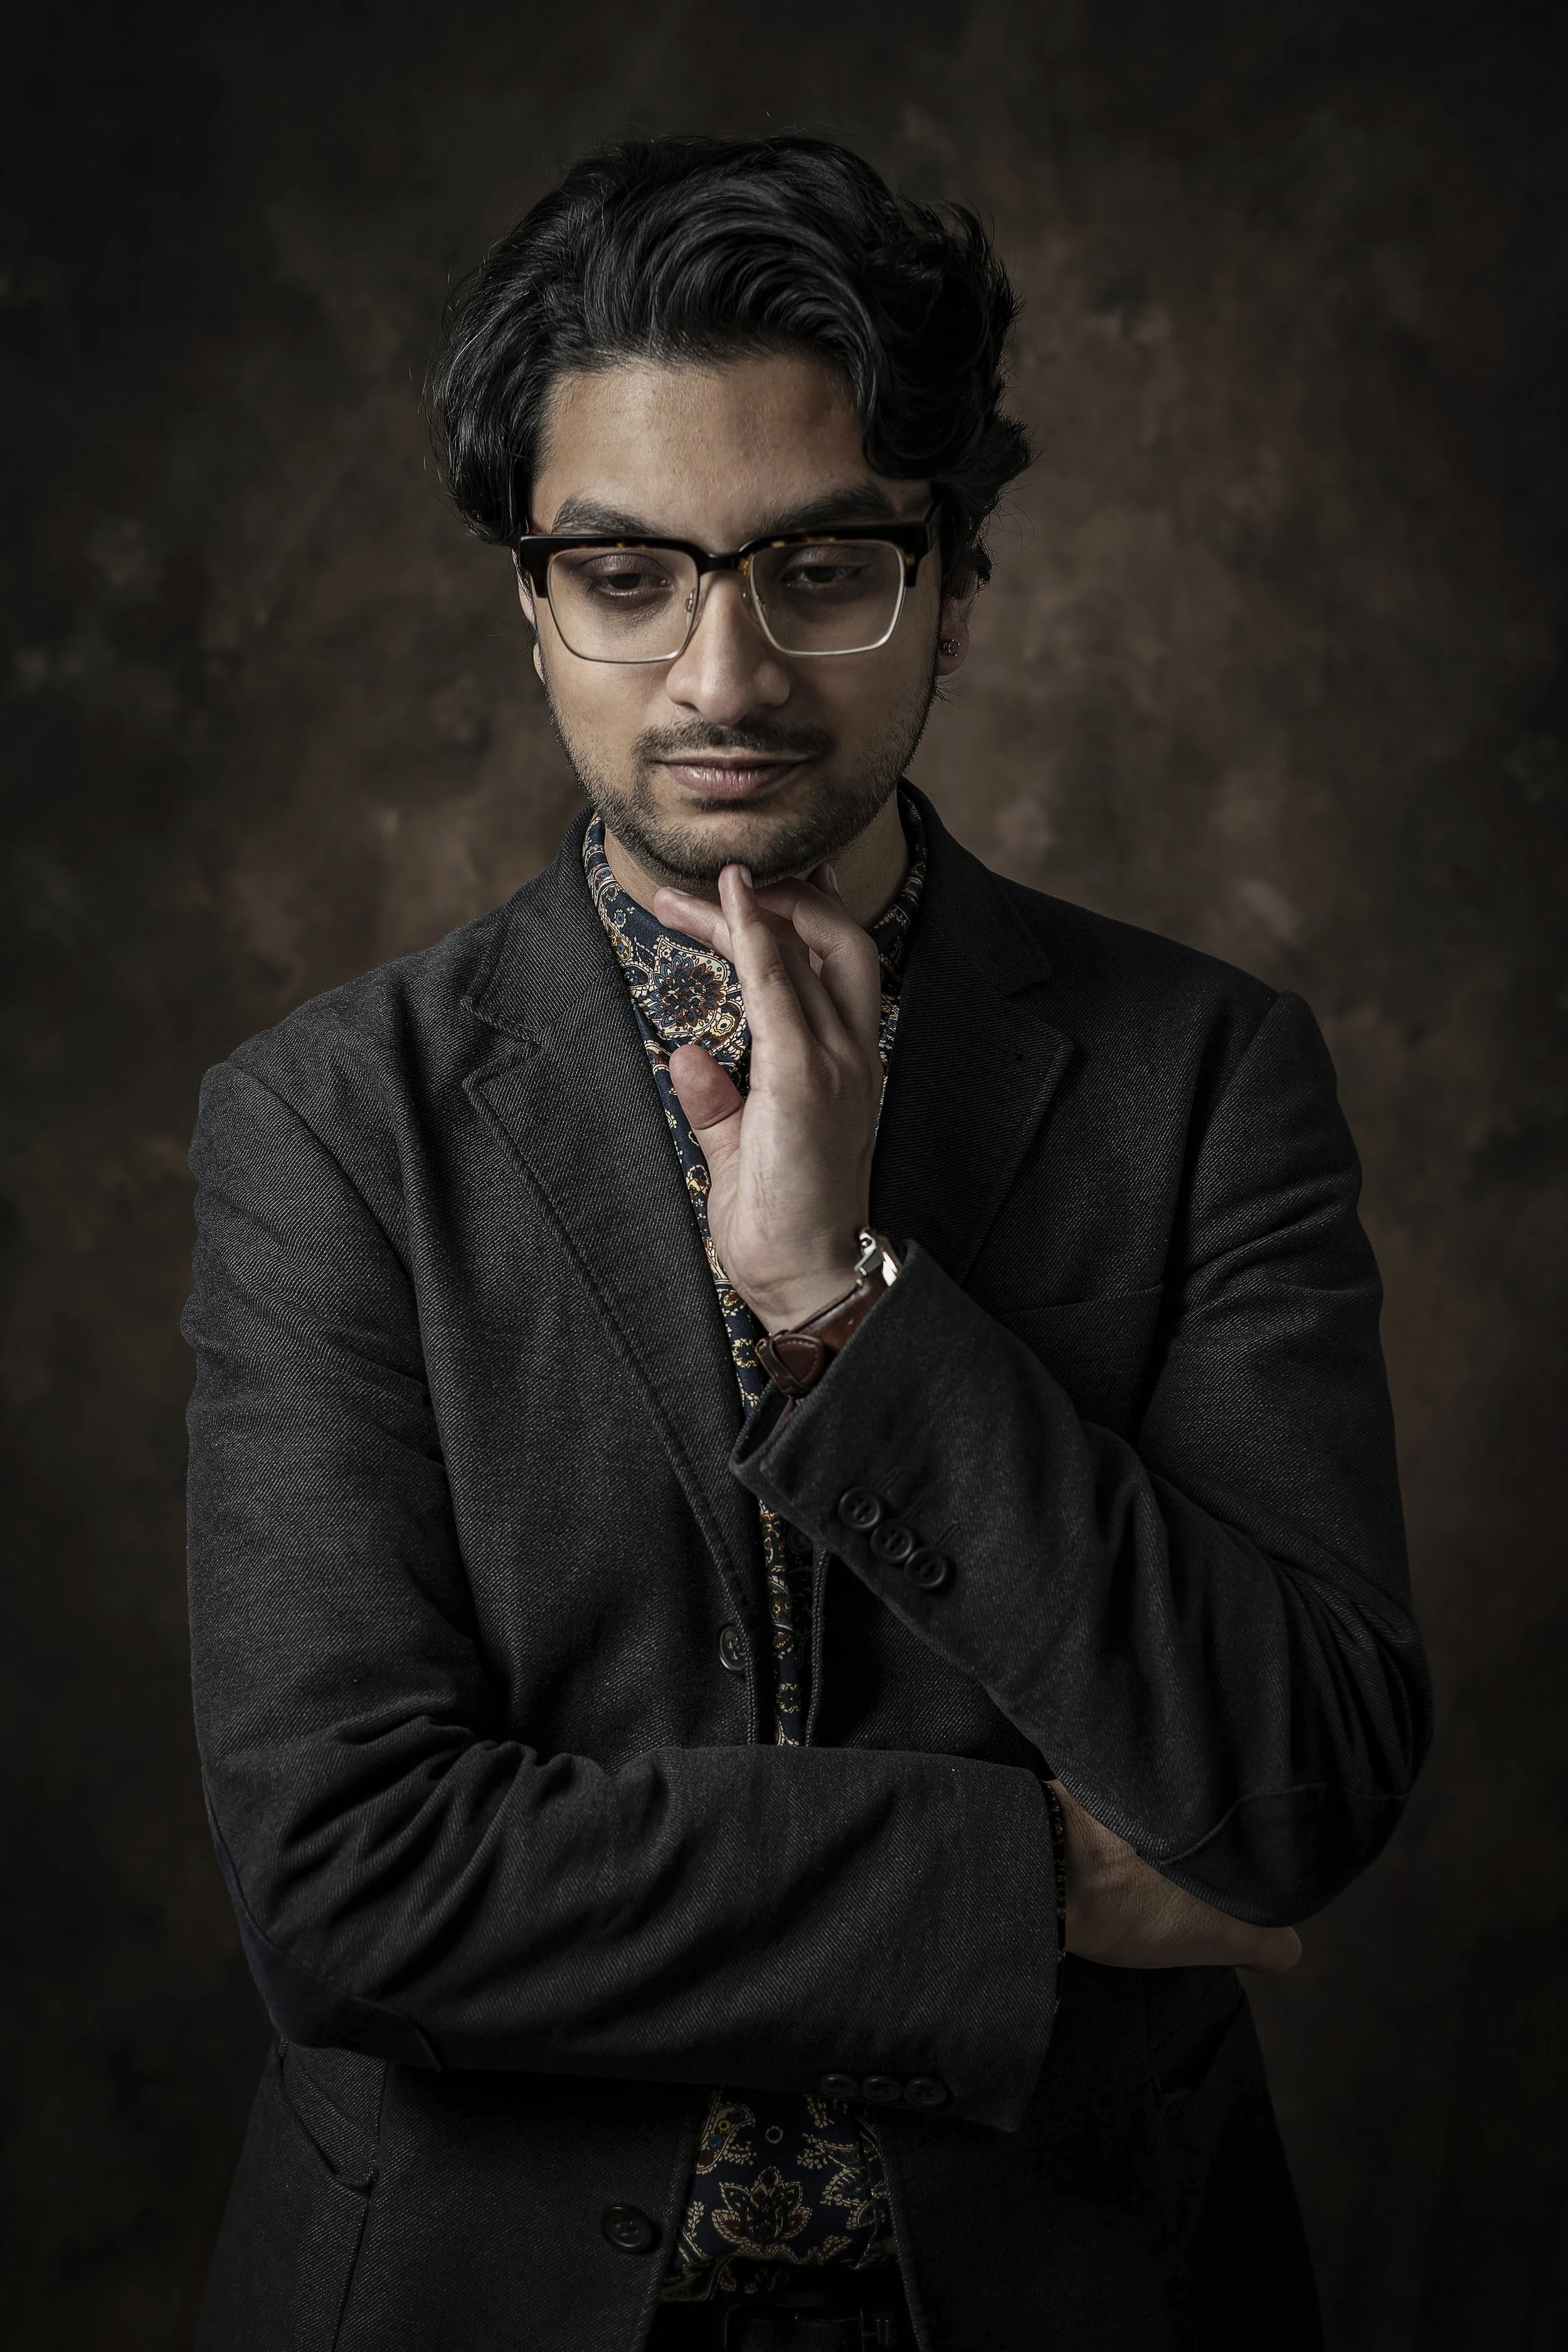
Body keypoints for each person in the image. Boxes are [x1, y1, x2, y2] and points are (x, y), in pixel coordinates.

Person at [184, 134, 1429, 2352]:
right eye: (624, 575)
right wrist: (1031, 1885)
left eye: (823, 566)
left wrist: (836, 1305)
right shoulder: (328, 1126)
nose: (723, 673)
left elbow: (1291, 1780)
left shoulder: (1204, 1075)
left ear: (954, 580)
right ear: (531, 599)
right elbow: (347, 1887)